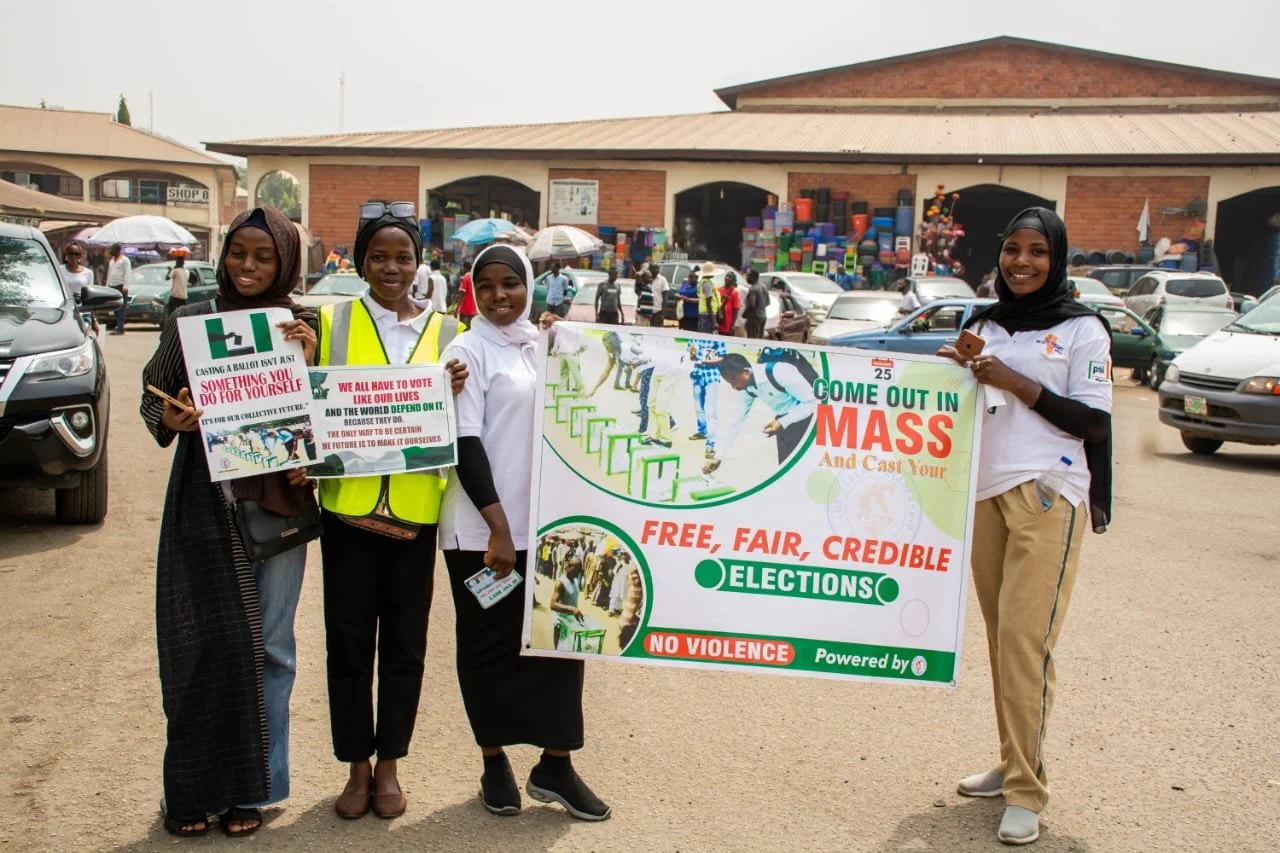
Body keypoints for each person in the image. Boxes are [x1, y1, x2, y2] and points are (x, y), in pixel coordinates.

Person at [141, 207, 319, 838]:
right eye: (238, 253)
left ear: (285, 264)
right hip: (203, 503)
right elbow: (154, 396)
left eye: (263, 257)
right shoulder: (190, 321)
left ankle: (254, 787)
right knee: (201, 642)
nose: (247, 266)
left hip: (277, 505)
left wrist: (310, 367)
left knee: (271, 648)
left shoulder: (303, 324)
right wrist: (175, 418)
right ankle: (193, 788)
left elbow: (331, 418)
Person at [936, 208, 1112, 846]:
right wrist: (952, 370)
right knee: (999, 635)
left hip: (1048, 491)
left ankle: (1027, 791)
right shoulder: (983, 321)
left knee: (1024, 642)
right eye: (1012, 250)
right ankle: (1013, 760)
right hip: (985, 490)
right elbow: (973, 400)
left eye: (1037, 251)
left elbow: (1092, 423)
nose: (1023, 263)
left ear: (1057, 257)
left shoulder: (1083, 330)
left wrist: (1017, 381)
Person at [438, 244, 610, 821]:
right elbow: (466, 444)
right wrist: (499, 530)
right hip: (484, 532)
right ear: (473, 292)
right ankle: (494, 761)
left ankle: (555, 764)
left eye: (510, 283)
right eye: (485, 286)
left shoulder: (543, 345)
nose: (498, 296)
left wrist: (565, 341)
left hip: (554, 528)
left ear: (529, 285)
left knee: (564, 642)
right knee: (488, 649)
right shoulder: (467, 349)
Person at [316, 201, 468, 821]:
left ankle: (390, 767)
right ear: (360, 262)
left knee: (406, 646)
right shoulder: (330, 320)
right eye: (378, 256)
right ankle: (354, 765)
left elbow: (475, 417)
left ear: (418, 263)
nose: (390, 266)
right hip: (348, 509)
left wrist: (458, 386)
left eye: (402, 256)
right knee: (349, 643)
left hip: (414, 512)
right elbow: (304, 394)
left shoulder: (451, 332)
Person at [704, 352, 817, 473]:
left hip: (810, 423)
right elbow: (734, 422)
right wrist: (718, 457)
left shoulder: (779, 372)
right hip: (784, 424)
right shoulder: (747, 388)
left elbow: (812, 403)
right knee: (789, 471)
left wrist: (782, 421)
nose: (734, 387)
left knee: (809, 469)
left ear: (746, 372)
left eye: (733, 381)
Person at [687, 337, 726, 457]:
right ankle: (702, 431)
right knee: (698, 407)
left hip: (712, 376)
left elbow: (723, 357)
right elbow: (692, 357)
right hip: (697, 375)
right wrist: (692, 354)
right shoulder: (694, 338)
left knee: (710, 410)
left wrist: (707, 362)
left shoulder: (716, 339)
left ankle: (711, 444)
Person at [106, 242, 131, 334]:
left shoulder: (125, 260)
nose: (111, 251)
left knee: (121, 307)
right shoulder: (112, 260)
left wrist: (126, 286)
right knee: (115, 307)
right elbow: (109, 273)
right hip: (112, 286)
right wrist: (107, 286)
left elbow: (127, 273)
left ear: (118, 250)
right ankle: (117, 325)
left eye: (113, 249)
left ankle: (120, 328)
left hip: (121, 286)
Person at [743, 270, 769, 339]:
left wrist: (745, 313)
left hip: (754, 318)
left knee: (752, 339)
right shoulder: (764, 286)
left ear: (753, 277)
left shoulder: (753, 289)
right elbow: (767, 302)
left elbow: (752, 304)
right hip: (763, 316)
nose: (746, 278)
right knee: (759, 339)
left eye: (748, 276)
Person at [696, 266, 721, 334]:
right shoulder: (707, 284)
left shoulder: (704, 282)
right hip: (708, 315)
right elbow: (708, 303)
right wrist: (714, 321)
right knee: (706, 337)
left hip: (704, 313)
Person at [717, 271, 741, 336]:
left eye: (730, 277)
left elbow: (735, 310)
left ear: (733, 280)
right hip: (720, 321)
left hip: (729, 324)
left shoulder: (735, 292)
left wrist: (732, 324)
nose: (727, 278)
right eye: (726, 276)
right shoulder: (718, 290)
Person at [167, 255, 189, 321]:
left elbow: (167, 277)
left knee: (171, 313)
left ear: (177, 262)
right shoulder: (185, 271)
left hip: (175, 296)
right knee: (182, 314)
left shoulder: (175, 271)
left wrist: (170, 270)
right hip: (184, 296)